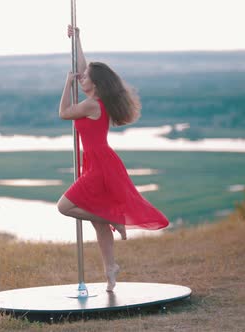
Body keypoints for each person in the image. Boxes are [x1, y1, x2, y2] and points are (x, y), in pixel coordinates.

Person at [57, 25, 169, 292]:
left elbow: (63, 113)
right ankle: (111, 271)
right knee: (98, 223)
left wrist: (66, 83)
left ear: (93, 85)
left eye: (84, 78)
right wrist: (78, 38)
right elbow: (84, 67)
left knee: (64, 207)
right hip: (99, 162)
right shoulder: (97, 99)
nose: (80, 78)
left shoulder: (91, 105)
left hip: (99, 166)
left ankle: (112, 218)